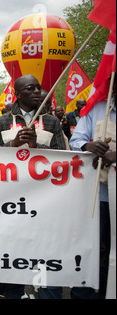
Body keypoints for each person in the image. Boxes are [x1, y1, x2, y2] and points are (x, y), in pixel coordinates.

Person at [0, 74, 66, 299]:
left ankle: (45, 288)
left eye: (38, 88)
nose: (36, 92)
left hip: (44, 199)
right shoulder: (2, 121)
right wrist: (13, 146)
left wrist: (37, 147)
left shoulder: (52, 122)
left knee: (44, 248)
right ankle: (14, 292)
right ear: (18, 94)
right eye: (30, 88)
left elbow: (64, 158)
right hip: (12, 198)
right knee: (14, 249)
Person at [69, 84, 115, 299]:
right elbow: (76, 140)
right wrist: (89, 147)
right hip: (99, 196)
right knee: (91, 249)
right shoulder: (96, 108)